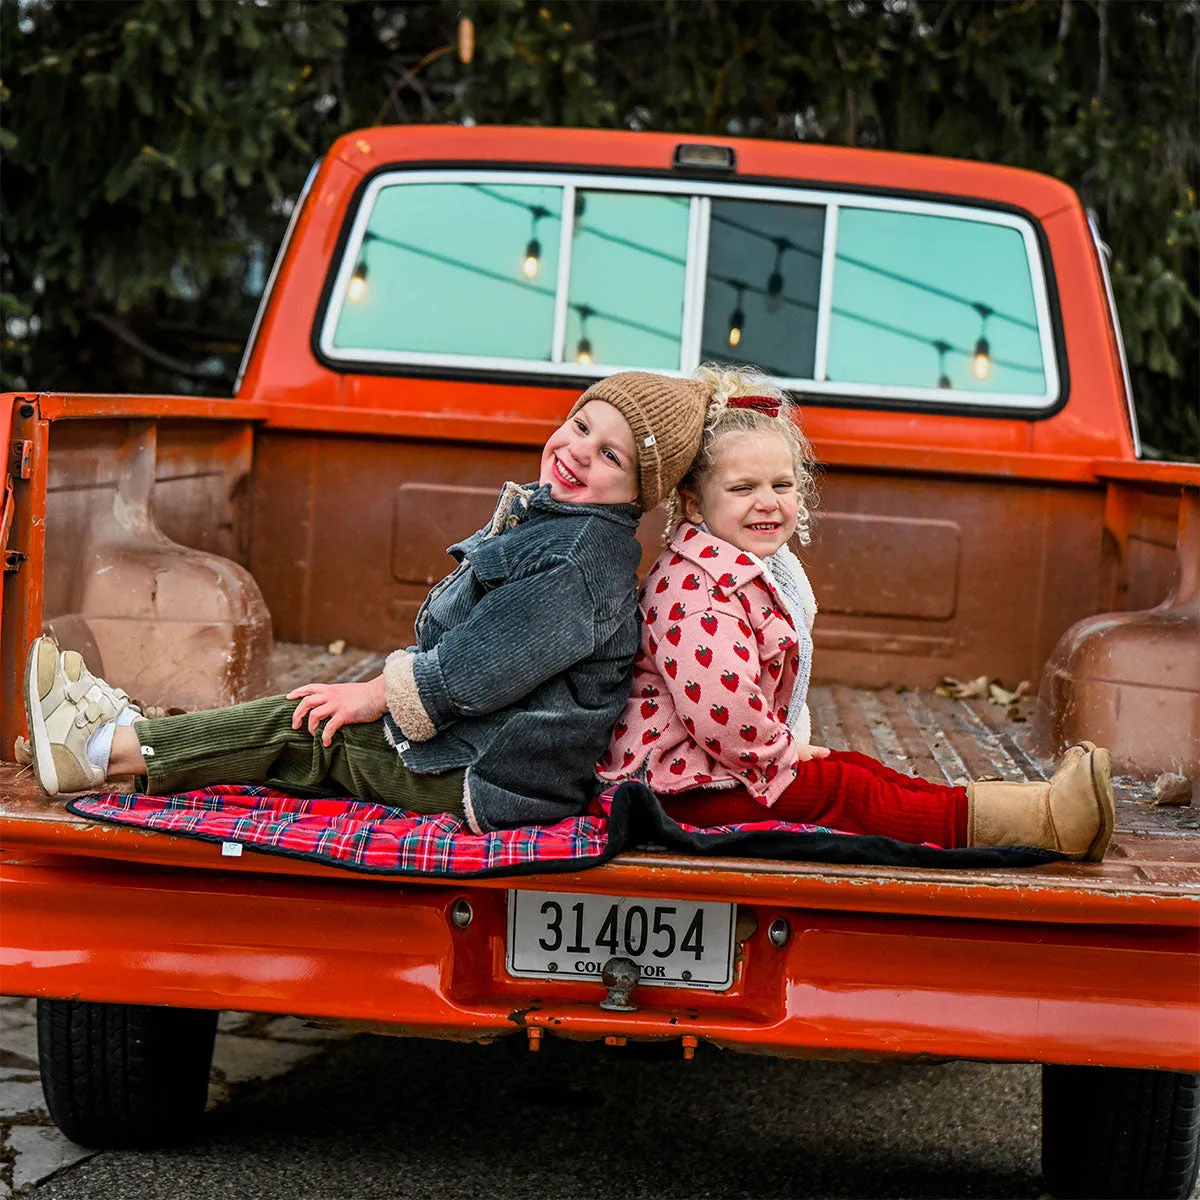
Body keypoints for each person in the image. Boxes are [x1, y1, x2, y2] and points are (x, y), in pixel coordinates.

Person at [23, 371, 713, 834]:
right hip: (495, 753)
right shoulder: (568, 528)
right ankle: (128, 739)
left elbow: (477, 670)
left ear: (638, 493)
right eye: (582, 425)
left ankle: (101, 752)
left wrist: (378, 694)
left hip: (489, 775)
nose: (579, 451)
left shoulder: (576, 561)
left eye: (612, 456)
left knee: (307, 726)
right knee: (317, 717)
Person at [598, 365, 1116, 861]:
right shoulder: (698, 591)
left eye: (782, 486)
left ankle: (1025, 810)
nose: (767, 502)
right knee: (845, 791)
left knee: (854, 768)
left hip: (715, 767)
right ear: (692, 504)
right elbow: (720, 710)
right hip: (677, 787)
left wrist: (781, 753)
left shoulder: (739, 568)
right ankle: (1041, 824)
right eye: (742, 489)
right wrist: (779, 755)